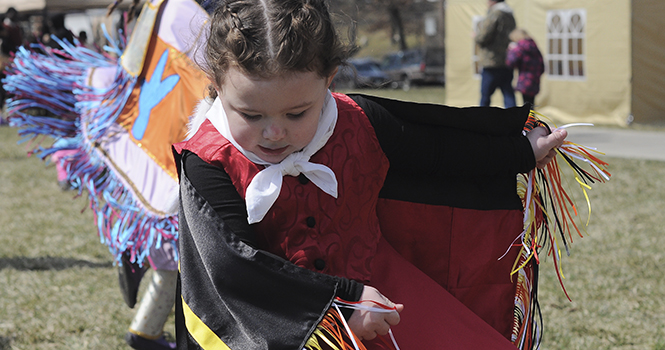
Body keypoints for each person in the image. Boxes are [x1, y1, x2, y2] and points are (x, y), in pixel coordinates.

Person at [172, 0, 569, 349]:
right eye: (251, 115)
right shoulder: (206, 163)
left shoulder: (357, 122)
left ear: (329, 78)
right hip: (282, 322)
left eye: (297, 114)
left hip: (388, 299)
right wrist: (338, 306)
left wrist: (518, 151)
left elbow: (439, 150)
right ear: (217, 84)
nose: (274, 133)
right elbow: (238, 270)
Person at [475, 0, 517, 108]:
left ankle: (482, 121)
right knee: (508, 95)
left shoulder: (495, 13)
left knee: (485, 97)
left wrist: (476, 36)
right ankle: (513, 121)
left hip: (491, 61)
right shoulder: (510, 14)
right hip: (507, 60)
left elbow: (483, 36)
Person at [506, 28, 545, 108]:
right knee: (531, 104)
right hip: (535, 79)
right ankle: (531, 119)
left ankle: (528, 120)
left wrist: (510, 51)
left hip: (525, 78)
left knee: (526, 105)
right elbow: (542, 65)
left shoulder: (520, 47)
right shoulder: (533, 46)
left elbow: (511, 62)